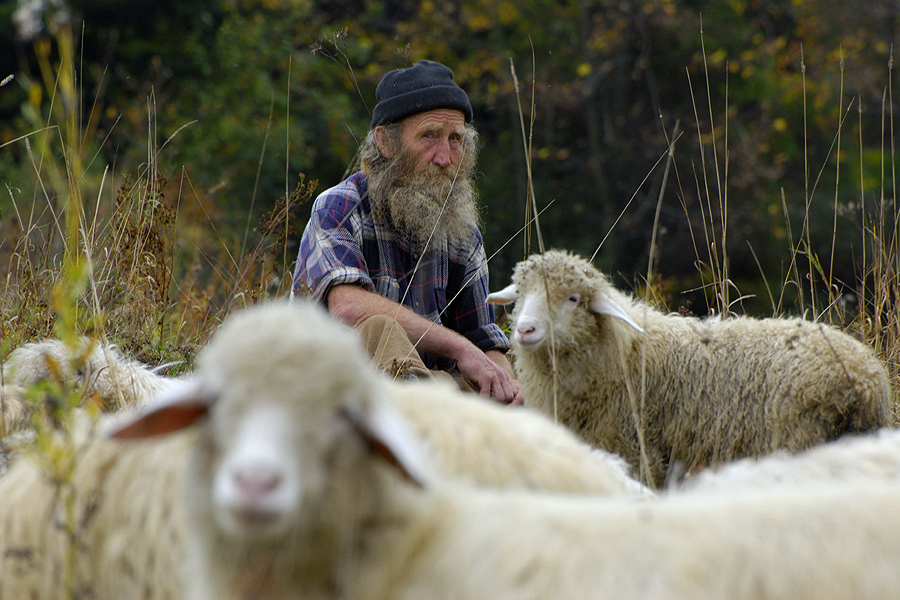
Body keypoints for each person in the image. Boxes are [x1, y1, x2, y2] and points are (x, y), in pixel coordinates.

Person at [293, 59, 522, 405]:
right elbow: (346, 307)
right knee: (381, 329)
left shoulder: (463, 232)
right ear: (385, 142)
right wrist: (461, 349)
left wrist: (503, 381)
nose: (444, 156)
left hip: (434, 390)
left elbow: (484, 340)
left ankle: (434, 409)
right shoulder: (339, 207)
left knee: (497, 376)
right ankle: (428, 411)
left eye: (455, 139)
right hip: (337, 399)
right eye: (429, 136)